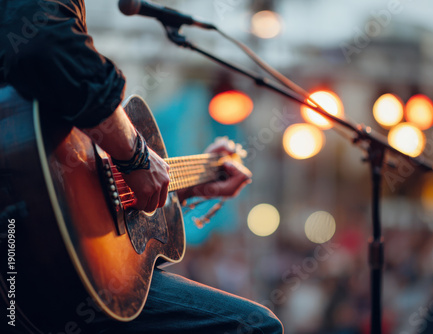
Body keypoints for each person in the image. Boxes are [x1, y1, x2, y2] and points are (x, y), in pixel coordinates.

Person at [0, 0, 283, 333]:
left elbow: (91, 183)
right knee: (254, 326)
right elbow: (45, 43)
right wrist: (135, 155)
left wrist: (191, 181)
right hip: (31, 266)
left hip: (31, 263)